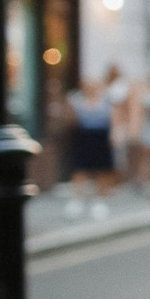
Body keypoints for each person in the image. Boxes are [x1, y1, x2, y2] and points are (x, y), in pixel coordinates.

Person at [63, 76, 117, 219]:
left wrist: (114, 134)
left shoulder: (105, 100)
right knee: (80, 170)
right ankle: (76, 200)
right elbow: (70, 120)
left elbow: (113, 119)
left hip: (101, 138)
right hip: (83, 138)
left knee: (102, 170)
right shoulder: (76, 100)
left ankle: (100, 201)